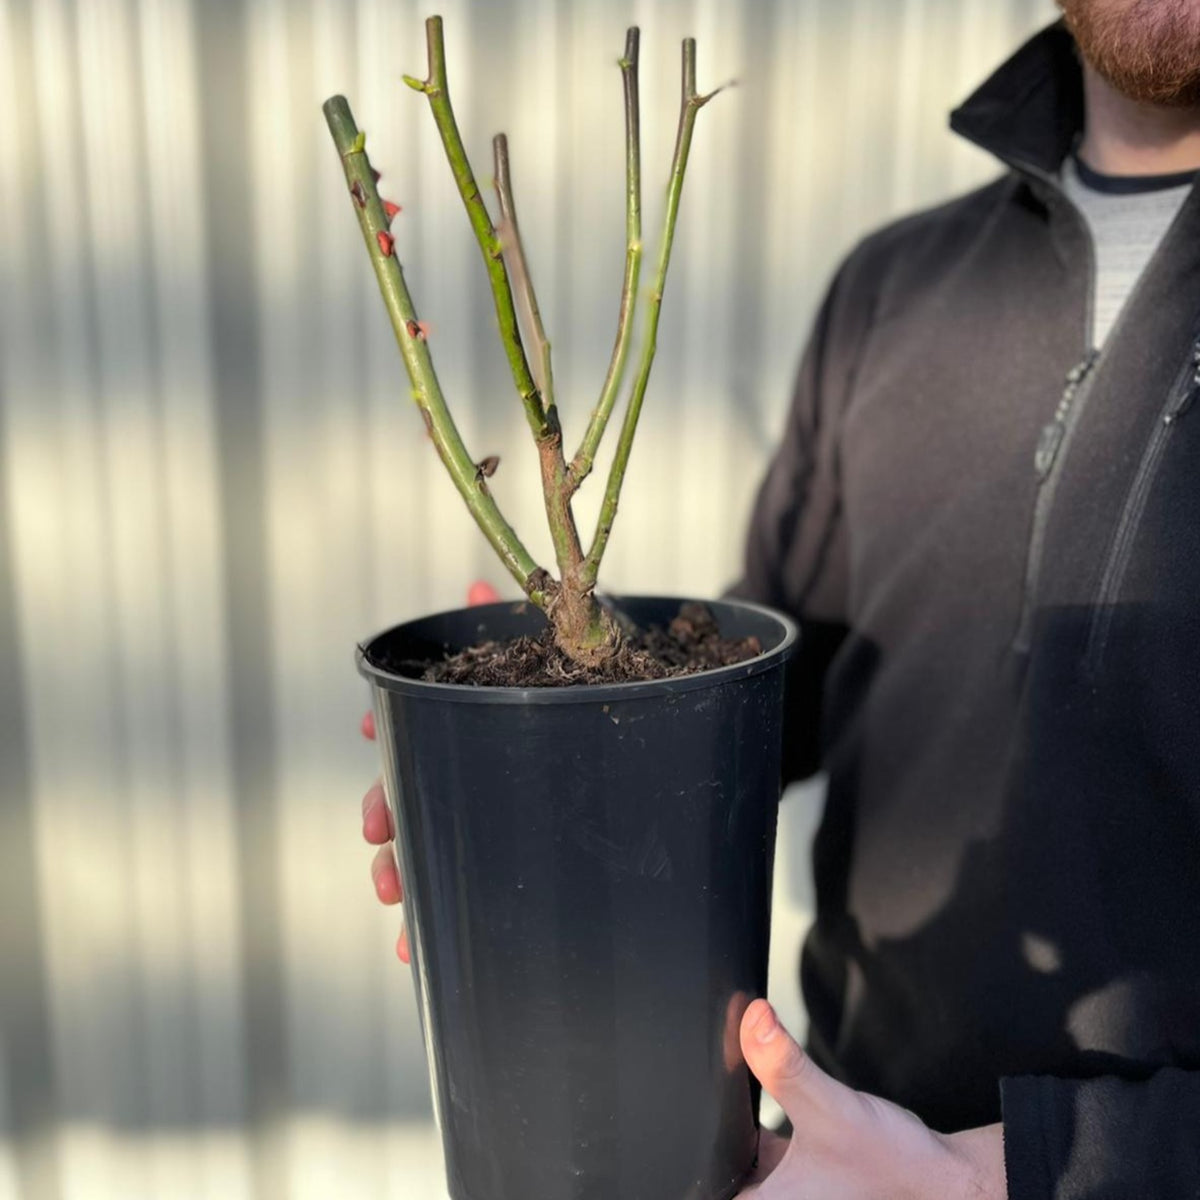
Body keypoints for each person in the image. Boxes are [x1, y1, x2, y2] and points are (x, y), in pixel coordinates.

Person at [360, 3, 1200, 1195]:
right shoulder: (897, 289)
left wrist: (1014, 1173)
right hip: (824, 1163)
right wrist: (526, 777)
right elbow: (774, 684)